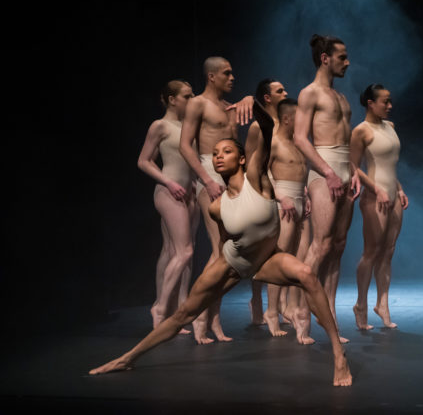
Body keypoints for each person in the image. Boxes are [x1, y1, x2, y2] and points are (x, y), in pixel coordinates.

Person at [89, 101, 352, 387]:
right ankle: (128, 357)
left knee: (307, 275)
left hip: (267, 260)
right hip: (234, 261)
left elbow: (266, 128)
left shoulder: (258, 179)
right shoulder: (217, 207)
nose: (218, 157)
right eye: (214, 154)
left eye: (226, 151)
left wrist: (254, 101)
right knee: (183, 314)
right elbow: (230, 242)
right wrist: (224, 267)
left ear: (242, 159)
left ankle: (339, 356)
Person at [179, 56, 253, 344]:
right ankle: (199, 317)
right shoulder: (198, 104)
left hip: (232, 178)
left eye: (233, 73)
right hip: (209, 176)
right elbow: (185, 146)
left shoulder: (229, 108)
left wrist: (249, 98)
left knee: (229, 254)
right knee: (218, 251)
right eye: (227, 73)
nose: (232, 77)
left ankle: (214, 319)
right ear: (211, 76)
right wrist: (207, 180)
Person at [294, 35, 360, 343]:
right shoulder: (310, 94)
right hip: (324, 174)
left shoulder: (343, 99)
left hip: (345, 173)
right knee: (319, 245)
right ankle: (301, 316)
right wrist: (328, 172)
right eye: (342, 57)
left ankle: (330, 317)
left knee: (338, 246)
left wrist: (354, 173)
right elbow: (300, 138)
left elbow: (346, 145)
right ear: (325, 58)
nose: (347, 62)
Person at [137, 80, 199, 332]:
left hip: (189, 193)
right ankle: (160, 307)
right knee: (183, 251)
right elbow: (143, 161)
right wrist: (169, 182)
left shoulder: (189, 126)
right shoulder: (160, 126)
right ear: (172, 99)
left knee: (176, 250)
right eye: (187, 95)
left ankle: (177, 308)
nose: (192, 99)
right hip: (168, 192)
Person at [350, 84, 408, 329]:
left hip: (393, 194)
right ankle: (360, 305)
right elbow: (352, 167)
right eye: (385, 102)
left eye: (390, 101)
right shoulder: (361, 131)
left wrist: (400, 188)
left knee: (389, 251)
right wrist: (376, 189)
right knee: (371, 252)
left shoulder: (390, 127)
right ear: (370, 103)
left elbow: (390, 165)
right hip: (375, 197)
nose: (390, 106)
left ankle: (382, 304)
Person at [268, 98, 313, 342]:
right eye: (298, 116)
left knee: (301, 258)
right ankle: (271, 312)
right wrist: (279, 196)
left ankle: (294, 308)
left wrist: (305, 194)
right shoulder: (274, 142)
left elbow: (302, 172)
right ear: (287, 119)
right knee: (280, 257)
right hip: (282, 202)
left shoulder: (299, 143)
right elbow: (261, 171)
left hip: (299, 199)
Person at [245, 79, 287, 327]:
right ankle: (257, 301)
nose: (286, 93)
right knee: (264, 250)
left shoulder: (286, 123)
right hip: (265, 190)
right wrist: (268, 192)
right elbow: (253, 163)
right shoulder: (256, 127)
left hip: (286, 189)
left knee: (283, 249)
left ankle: (280, 304)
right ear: (267, 98)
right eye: (280, 90)